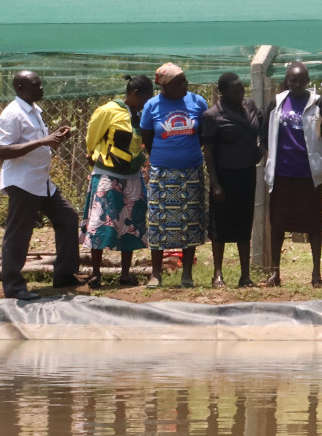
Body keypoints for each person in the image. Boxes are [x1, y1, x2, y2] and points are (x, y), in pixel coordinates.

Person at [0, 70, 83, 300]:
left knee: (68, 217)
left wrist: (54, 137)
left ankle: (64, 274)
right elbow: (3, 151)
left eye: (41, 85)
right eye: (36, 86)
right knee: (18, 234)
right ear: (20, 88)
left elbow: (35, 144)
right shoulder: (12, 114)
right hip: (23, 183)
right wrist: (44, 140)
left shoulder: (33, 111)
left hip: (40, 181)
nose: (41, 89)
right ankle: (13, 287)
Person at [139, 63, 211, 288]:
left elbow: (202, 135)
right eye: (179, 82)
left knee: (190, 222)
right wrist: (164, 157)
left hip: (191, 170)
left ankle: (187, 274)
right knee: (159, 223)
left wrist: (186, 154)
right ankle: (156, 274)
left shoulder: (197, 102)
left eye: (185, 80)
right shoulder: (152, 105)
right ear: (166, 86)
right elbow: (148, 137)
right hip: (162, 172)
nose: (185, 85)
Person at [262, 60, 322, 287]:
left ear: (308, 81)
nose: (297, 84)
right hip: (283, 174)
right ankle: (275, 272)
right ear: (287, 81)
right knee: (278, 224)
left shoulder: (319, 103)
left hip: (308, 175)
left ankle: (316, 274)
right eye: (293, 80)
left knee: (313, 225)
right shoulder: (277, 103)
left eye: (301, 80)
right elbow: (265, 135)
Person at [82, 74, 153, 287]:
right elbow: (92, 139)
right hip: (107, 174)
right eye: (145, 98)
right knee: (101, 221)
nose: (147, 103)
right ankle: (96, 273)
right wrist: (94, 157)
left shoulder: (141, 115)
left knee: (130, 222)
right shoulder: (108, 111)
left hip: (132, 175)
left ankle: (125, 273)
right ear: (134, 94)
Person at [201, 71, 262, 287]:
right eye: (235, 91)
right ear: (223, 92)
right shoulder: (213, 116)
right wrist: (215, 184)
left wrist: (260, 150)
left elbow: (261, 127)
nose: (240, 94)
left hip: (246, 173)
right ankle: (218, 274)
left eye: (242, 90)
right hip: (224, 176)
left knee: (244, 223)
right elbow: (208, 151)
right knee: (220, 225)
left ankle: (245, 275)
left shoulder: (250, 107)